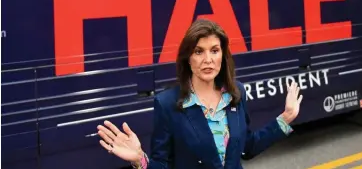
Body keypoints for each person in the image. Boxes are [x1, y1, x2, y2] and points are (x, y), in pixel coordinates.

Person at [97, 19, 303, 169]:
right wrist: (139, 159)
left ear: (223, 55)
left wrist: (285, 119)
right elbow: (162, 164)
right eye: (198, 51)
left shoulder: (236, 93)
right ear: (188, 58)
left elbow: (246, 147)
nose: (208, 59)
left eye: (214, 50)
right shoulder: (168, 103)